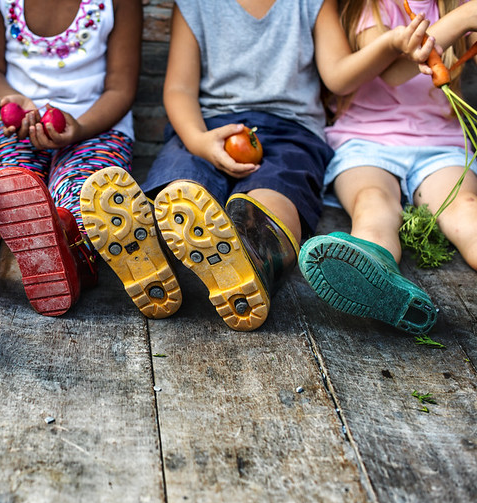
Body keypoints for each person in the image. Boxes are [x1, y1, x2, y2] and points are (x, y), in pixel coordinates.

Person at [80, 0, 434, 331]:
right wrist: (198, 140)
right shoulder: (196, 4)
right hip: (209, 126)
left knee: (276, 191)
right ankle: (150, 248)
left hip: (290, 130)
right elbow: (179, 90)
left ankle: (252, 252)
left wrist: (390, 45)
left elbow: (338, 76)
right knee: (181, 182)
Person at [0, 0, 141, 316]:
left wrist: (81, 128)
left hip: (95, 128)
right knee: (1, 187)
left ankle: (66, 248)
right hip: (17, 128)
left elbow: (121, 89)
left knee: (84, 194)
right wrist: (12, 100)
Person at [299, 0, 477, 335]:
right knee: (372, 203)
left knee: (465, 209)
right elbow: (394, 71)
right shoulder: (371, 7)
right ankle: (373, 280)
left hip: (438, 141)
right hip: (366, 141)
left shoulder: (454, 4)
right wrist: (464, 19)